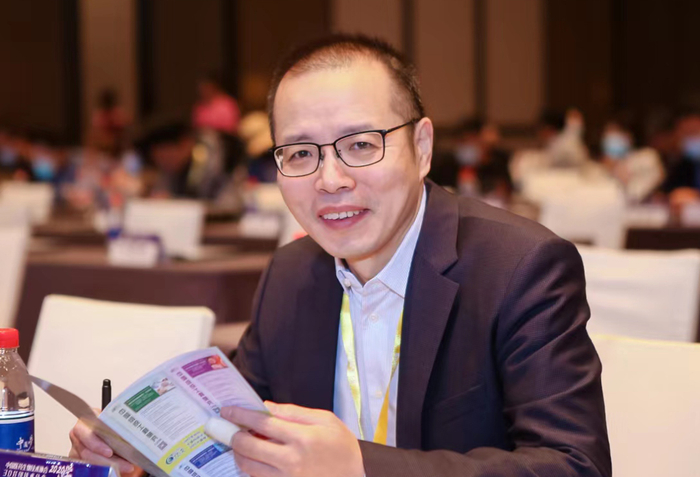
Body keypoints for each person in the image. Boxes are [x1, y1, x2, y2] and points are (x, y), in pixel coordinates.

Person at [70, 35, 611, 477]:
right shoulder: (290, 275)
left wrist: (361, 467)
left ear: (422, 148)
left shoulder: (519, 268)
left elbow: (574, 466)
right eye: (300, 153)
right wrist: (139, 457)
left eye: (361, 144)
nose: (331, 180)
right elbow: (233, 434)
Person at [599, 117, 665, 203]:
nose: (611, 141)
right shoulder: (598, 167)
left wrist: (619, 171)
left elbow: (635, 194)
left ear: (628, 137)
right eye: (607, 135)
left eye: (615, 134)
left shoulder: (646, 157)